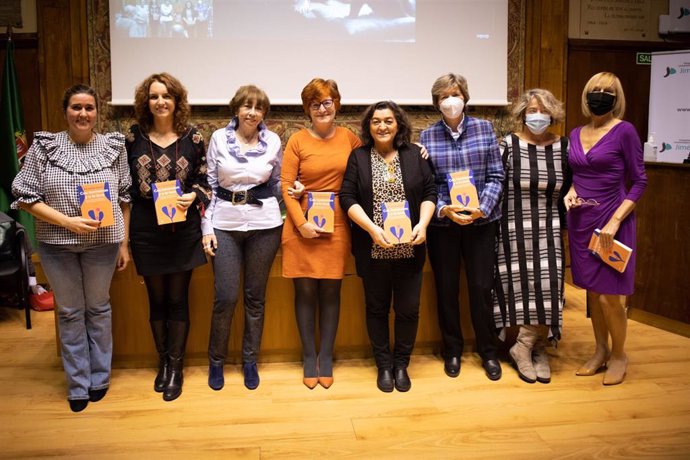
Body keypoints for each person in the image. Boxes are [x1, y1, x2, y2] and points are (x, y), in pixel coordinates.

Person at [11, 84, 131, 412]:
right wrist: (67, 221)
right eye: (76, 107)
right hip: (57, 245)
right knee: (69, 312)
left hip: (103, 245)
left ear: (97, 113)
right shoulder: (45, 147)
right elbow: (24, 196)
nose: (83, 113)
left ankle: (99, 377)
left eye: (89, 108)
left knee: (98, 309)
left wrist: (124, 244)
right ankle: (77, 382)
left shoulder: (113, 147)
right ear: (65, 111)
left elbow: (124, 197)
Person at [125, 73, 211, 401]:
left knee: (177, 299)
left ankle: (176, 367)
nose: (160, 102)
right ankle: (162, 362)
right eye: (154, 96)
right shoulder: (132, 138)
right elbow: (128, 189)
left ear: (177, 101)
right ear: (145, 102)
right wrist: (126, 240)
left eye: (167, 96)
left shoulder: (194, 138)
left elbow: (205, 179)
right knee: (156, 300)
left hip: (182, 229)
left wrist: (194, 196)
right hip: (146, 229)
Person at [340, 101, 436, 392]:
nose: (382, 126)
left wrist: (423, 224)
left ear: (399, 125)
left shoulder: (414, 155)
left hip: (411, 249)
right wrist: (371, 229)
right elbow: (347, 197)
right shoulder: (358, 157)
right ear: (369, 126)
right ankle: (383, 365)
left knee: (408, 310)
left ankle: (401, 364)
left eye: (389, 121)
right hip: (373, 249)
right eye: (376, 121)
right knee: (377, 308)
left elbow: (431, 191)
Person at [420, 73, 505, 381]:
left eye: (455, 94)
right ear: (436, 103)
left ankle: (488, 351)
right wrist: (445, 209)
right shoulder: (427, 137)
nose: (450, 100)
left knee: (482, 289)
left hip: (482, 223)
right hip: (445, 226)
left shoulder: (485, 129)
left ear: (465, 97)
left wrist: (482, 208)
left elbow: (497, 176)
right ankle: (452, 350)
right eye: (443, 96)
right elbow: (429, 184)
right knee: (446, 290)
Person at [564, 72, 647, 386]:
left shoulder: (624, 131)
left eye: (607, 91)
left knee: (610, 298)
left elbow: (639, 181)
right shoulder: (576, 133)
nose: (601, 94)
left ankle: (619, 354)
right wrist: (571, 191)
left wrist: (615, 221)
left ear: (617, 97)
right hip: (581, 222)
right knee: (592, 293)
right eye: (595, 90)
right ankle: (599, 351)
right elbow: (579, 174)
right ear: (586, 95)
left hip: (613, 223)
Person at [280, 78, 362, 389]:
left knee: (331, 292)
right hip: (302, 227)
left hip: (337, 225)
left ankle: (325, 356)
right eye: (315, 104)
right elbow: (286, 186)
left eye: (327, 102)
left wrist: (414, 149)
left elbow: (368, 166)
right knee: (304, 293)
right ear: (307, 109)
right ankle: (308, 354)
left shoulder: (350, 139)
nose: (322, 108)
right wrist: (301, 223)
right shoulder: (297, 141)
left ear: (336, 104)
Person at [202, 85, 283, 391]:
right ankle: (216, 361)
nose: (252, 112)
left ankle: (250, 360)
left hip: (265, 225)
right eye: (247, 106)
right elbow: (209, 185)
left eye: (259, 107)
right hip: (224, 223)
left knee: (255, 298)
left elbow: (276, 183)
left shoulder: (273, 141)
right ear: (236, 108)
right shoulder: (219, 139)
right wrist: (206, 229)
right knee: (225, 297)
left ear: (264, 113)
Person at [493, 88, 570, 384]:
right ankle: (532, 348)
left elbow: (572, 185)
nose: (537, 115)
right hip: (513, 226)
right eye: (532, 110)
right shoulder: (508, 145)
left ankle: (527, 346)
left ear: (553, 114)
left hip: (549, 226)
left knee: (548, 287)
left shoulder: (564, 146)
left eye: (543, 110)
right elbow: (495, 182)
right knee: (522, 287)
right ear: (522, 113)